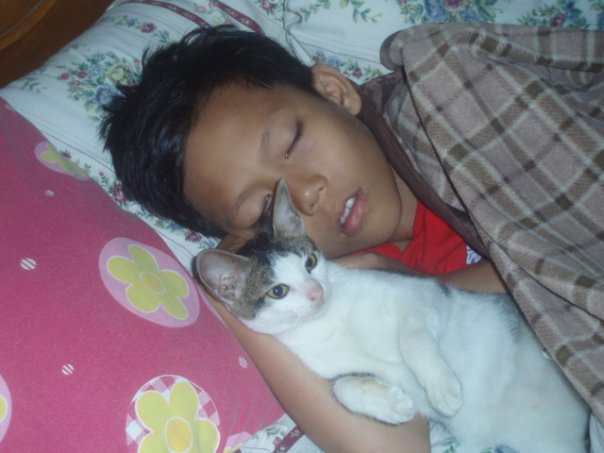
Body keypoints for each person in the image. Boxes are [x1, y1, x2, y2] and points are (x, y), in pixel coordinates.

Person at [101, 25, 604, 451]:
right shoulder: (344, 299)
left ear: (335, 92)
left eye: (293, 142)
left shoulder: (448, 109)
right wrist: (236, 298)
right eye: (259, 207)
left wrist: (392, 276)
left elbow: (562, 257)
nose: (305, 193)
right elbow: (391, 447)